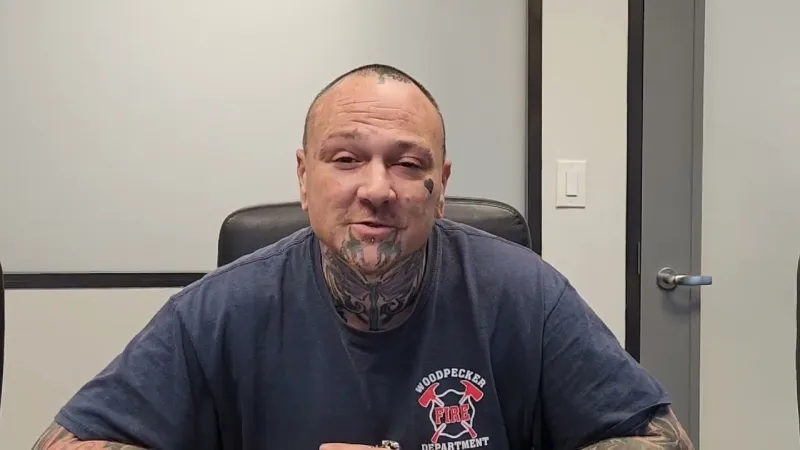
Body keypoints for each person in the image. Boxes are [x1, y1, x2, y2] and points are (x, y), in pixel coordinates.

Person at [33, 63, 693, 450]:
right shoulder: (218, 311)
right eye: (345, 158)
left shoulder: (526, 296)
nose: (377, 189)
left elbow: (658, 437)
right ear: (302, 177)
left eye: (408, 164)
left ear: (441, 188)